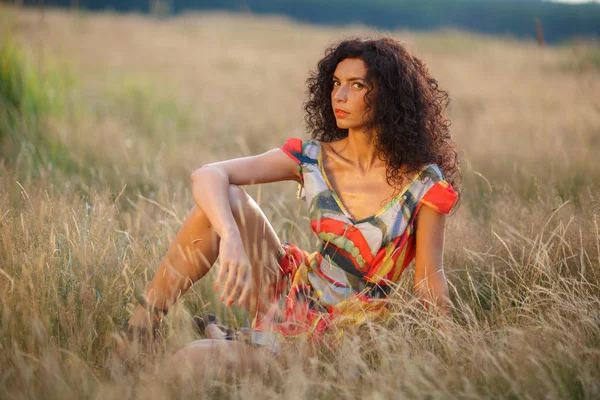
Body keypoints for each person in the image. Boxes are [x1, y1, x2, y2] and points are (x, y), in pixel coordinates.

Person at [120, 36, 460, 374]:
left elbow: (429, 281)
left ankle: (235, 339)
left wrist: (452, 356)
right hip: (290, 292)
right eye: (336, 83)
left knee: (191, 359)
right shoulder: (312, 158)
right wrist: (231, 237)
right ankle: (140, 330)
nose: (340, 96)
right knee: (227, 200)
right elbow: (208, 174)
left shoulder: (423, 185)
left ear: (389, 96)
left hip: (338, 336)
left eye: (356, 86)